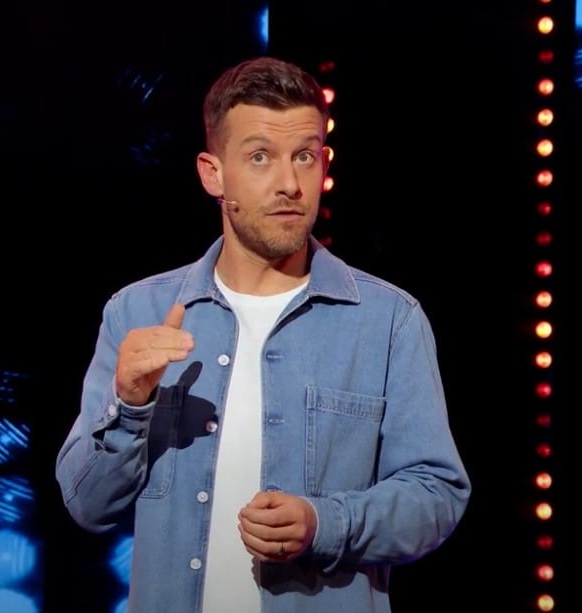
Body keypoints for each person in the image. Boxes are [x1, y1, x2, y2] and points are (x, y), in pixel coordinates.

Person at [54, 55, 471, 612]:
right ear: (213, 174)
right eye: (259, 157)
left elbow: (436, 496)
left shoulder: (388, 321)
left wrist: (324, 523)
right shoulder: (138, 312)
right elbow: (88, 505)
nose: (289, 184)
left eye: (304, 156)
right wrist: (130, 407)